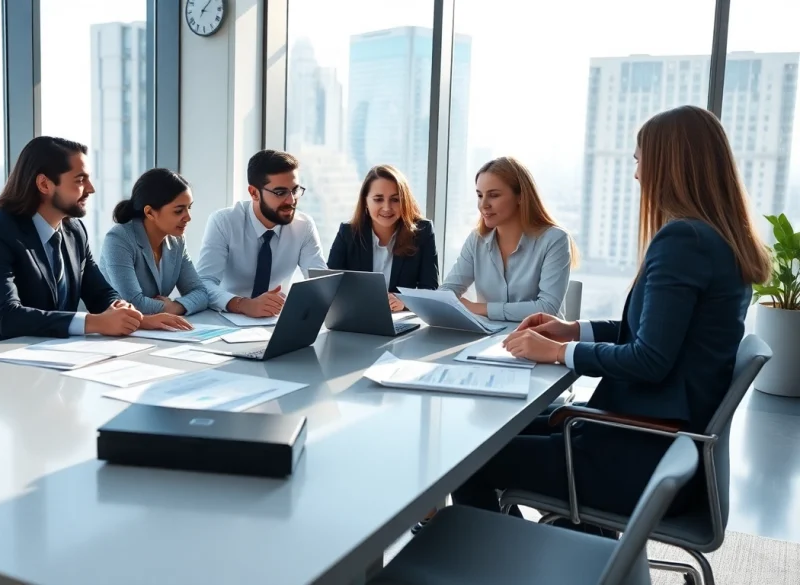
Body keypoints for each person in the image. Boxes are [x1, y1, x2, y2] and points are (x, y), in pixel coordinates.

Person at [452, 105, 771, 520]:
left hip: (638, 455)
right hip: (661, 443)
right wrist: (572, 330)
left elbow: (649, 359)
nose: (637, 174)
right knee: (493, 431)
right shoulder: (715, 240)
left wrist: (555, 353)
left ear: (669, 164)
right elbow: (652, 332)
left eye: (640, 160)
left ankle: (501, 560)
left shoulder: (683, 240)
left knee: (466, 456)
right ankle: (553, 547)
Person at [0, 137, 182, 350]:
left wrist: (131, 316)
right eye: (80, 180)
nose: (90, 189)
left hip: (47, 354)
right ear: (45, 185)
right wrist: (95, 322)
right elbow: (7, 316)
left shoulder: (74, 230)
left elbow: (99, 292)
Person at [440, 157, 575, 322]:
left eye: (494, 195)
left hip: (539, 341)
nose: (483, 205)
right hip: (487, 340)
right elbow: (448, 291)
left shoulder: (554, 239)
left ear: (520, 197)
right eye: (480, 195)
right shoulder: (477, 240)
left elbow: (546, 309)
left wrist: (480, 308)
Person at [196, 150, 327, 317]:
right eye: (280, 193)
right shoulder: (224, 222)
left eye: (295, 190)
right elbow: (203, 283)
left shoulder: (304, 225)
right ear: (254, 193)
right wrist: (243, 304)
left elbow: (321, 283)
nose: (291, 200)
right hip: (226, 318)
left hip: (274, 321)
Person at [100, 168, 209, 319]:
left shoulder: (177, 241)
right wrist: (168, 307)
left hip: (154, 331)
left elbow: (201, 293)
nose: (188, 217)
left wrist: (177, 306)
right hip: (115, 334)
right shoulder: (118, 239)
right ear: (150, 212)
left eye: (188, 208)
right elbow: (133, 304)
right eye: (179, 211)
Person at [327, 164, 439, 310]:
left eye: (395, 200)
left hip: (401, 320)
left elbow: (430, 289)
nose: (387, 207)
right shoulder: (348, 233)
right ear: (365, 201)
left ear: (404, 201)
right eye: (378, 199)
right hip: (357, 317)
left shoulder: (423, 232)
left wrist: (405, 303)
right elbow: (329, 286)